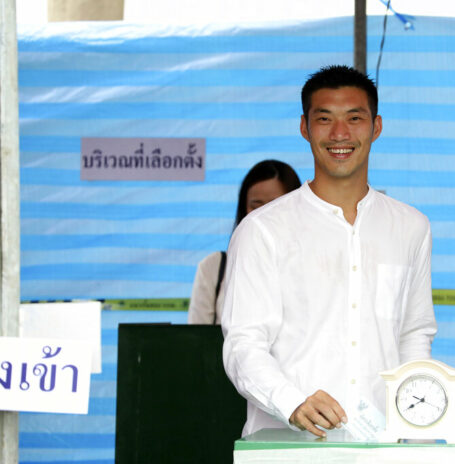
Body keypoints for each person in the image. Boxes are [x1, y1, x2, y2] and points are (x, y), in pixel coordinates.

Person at [221, 65, 437, 438]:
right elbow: (243, 344)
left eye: (354, 118)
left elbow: (413, 334)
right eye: (325, 119)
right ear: (304, 127)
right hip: (286, 449)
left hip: (381, 448)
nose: (340, 134)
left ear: (376, 127)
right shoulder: (262, 230)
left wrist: (416, 426)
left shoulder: (410, 226)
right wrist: (291, 402)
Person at [187, 159, 301, 324]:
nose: (264, 216)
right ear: (243, 209)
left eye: (275, 206)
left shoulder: (315, 265)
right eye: (256, 207)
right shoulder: (213, 268)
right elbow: (196, 344)